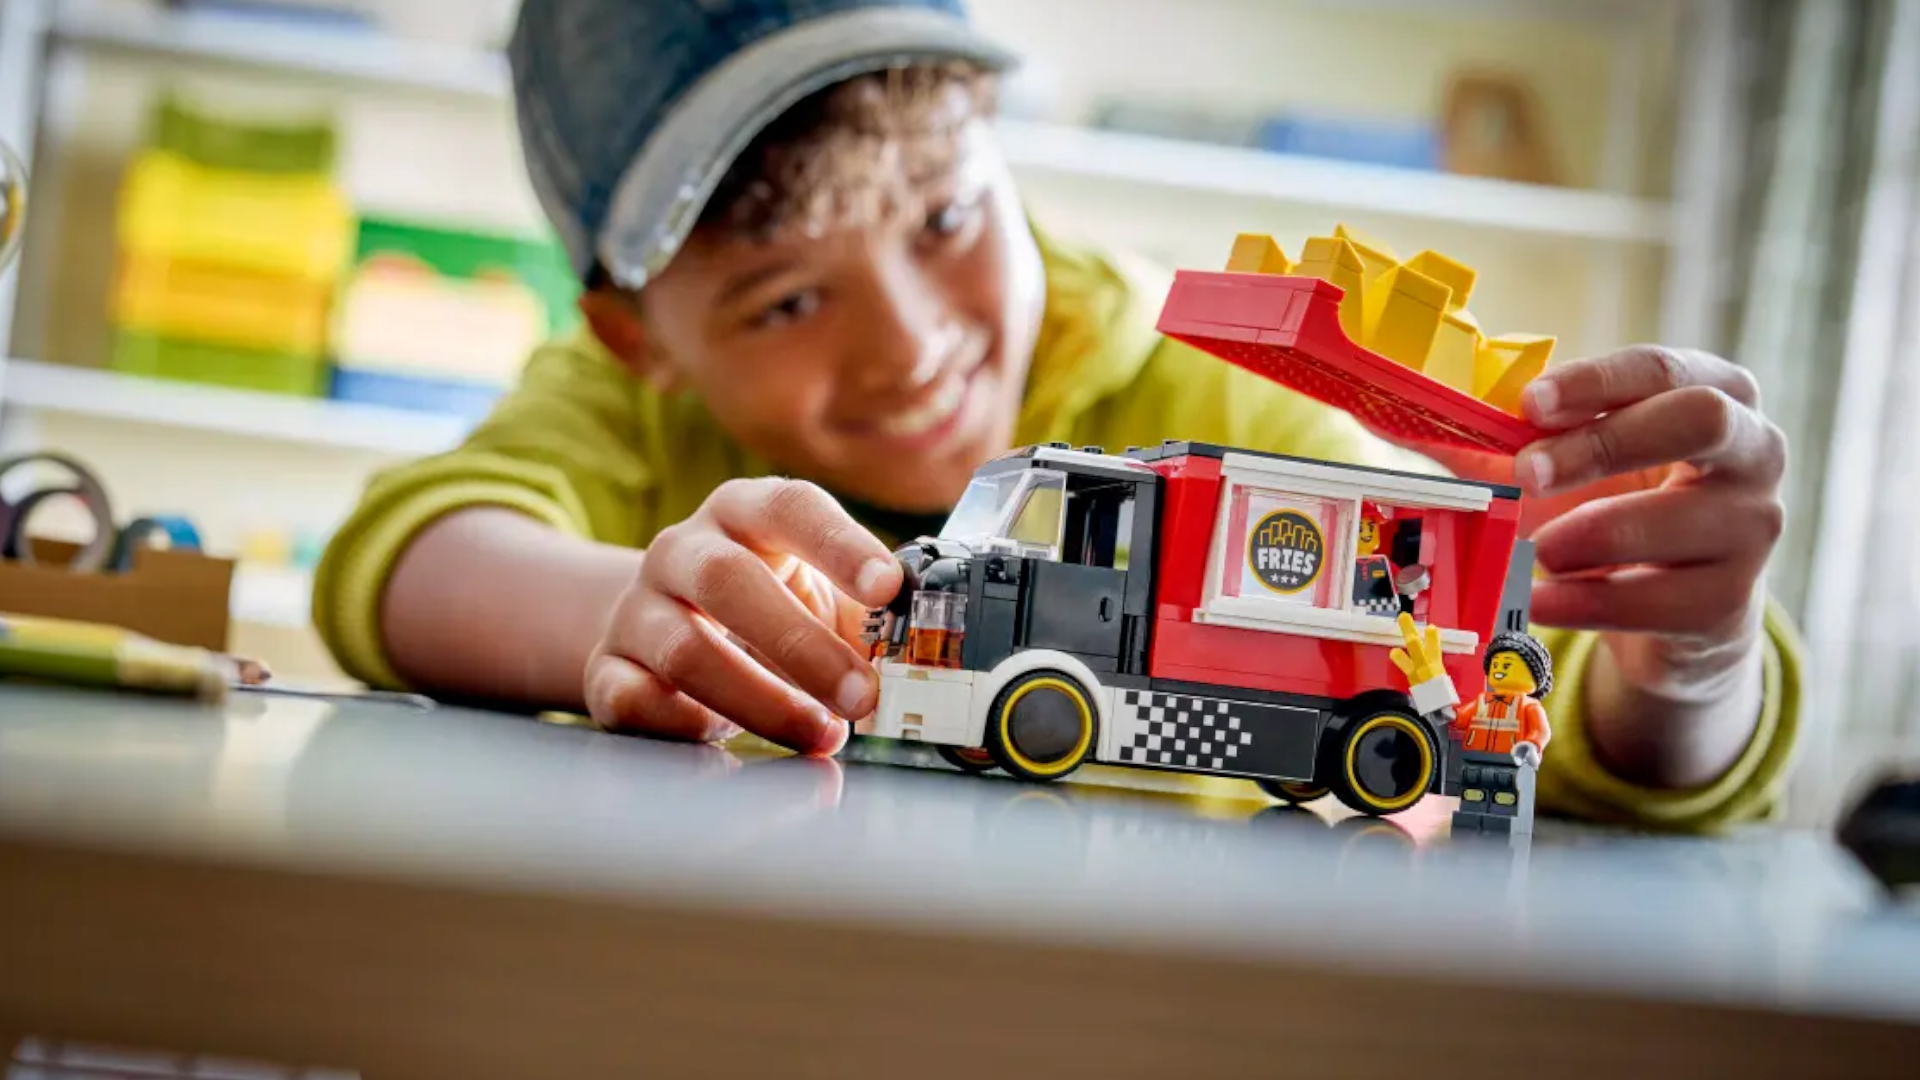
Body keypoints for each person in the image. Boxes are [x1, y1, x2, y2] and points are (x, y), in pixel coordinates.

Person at [312, 0, 1801, 835]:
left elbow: (1547, 708)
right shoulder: (621, 414)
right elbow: (413, 553)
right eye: (783, 302)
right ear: (638, 338)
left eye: (947, 216)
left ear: (1000, 150)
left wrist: (1685, 658)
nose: (913, 347)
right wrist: (615, 610)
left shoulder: (1202, 392)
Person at [1449, 631, 1554, 836]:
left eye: (1507, 665)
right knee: (1472, 793)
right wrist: (1444, 711)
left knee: (1505, 797)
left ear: (1533, 675)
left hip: (1510, 762)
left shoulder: (1528, 706)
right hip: (1475, 759)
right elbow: (1460, 719)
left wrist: (1531, 746)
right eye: (1495, 665)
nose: (1498, 670)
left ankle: (1501, 827)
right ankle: (1470, 822)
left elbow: (1541, 731)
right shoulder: (1482, 702)